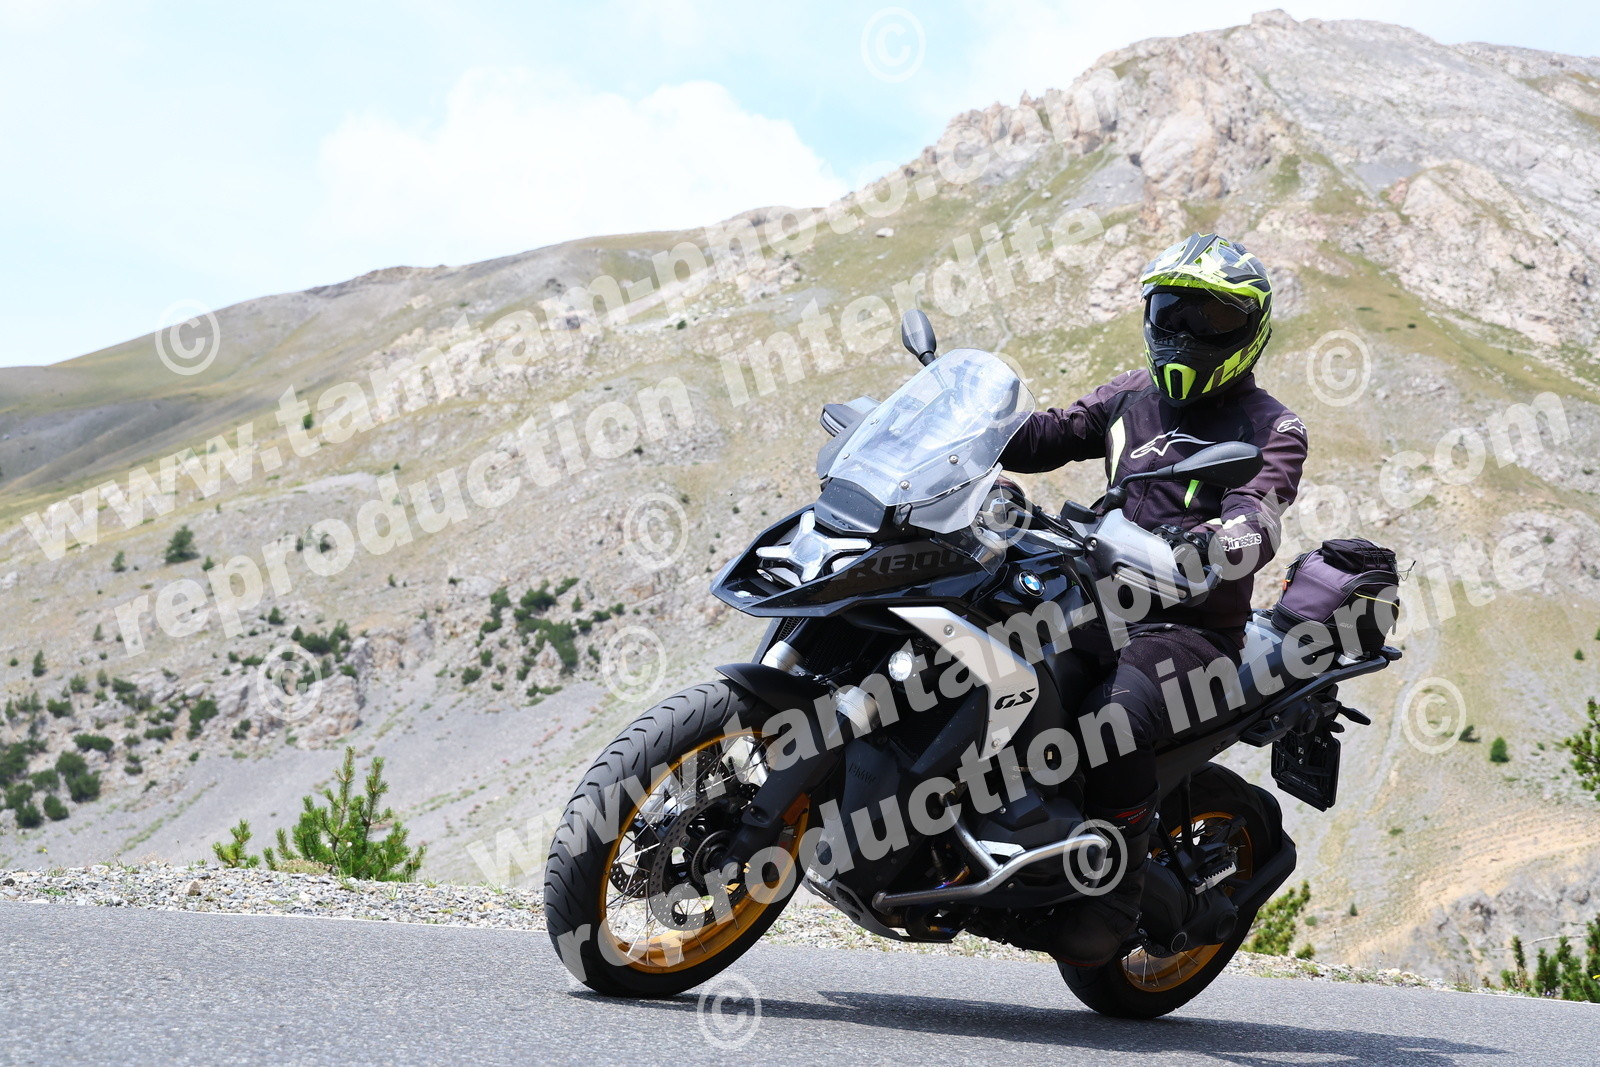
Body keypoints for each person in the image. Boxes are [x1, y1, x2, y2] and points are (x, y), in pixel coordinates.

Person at [999, 232, 1309, 964]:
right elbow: (1043, 437)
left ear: (1251, 329)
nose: (1187, 332)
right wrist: (955, 428)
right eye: (1173, 312)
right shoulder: (1130, 397)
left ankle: (1112, 895)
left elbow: (1262, 509)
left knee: (1113, 716)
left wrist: (1221, 543)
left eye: (1213, 318)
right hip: (1093, 597)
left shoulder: (1273, 427)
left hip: (1189, 629)